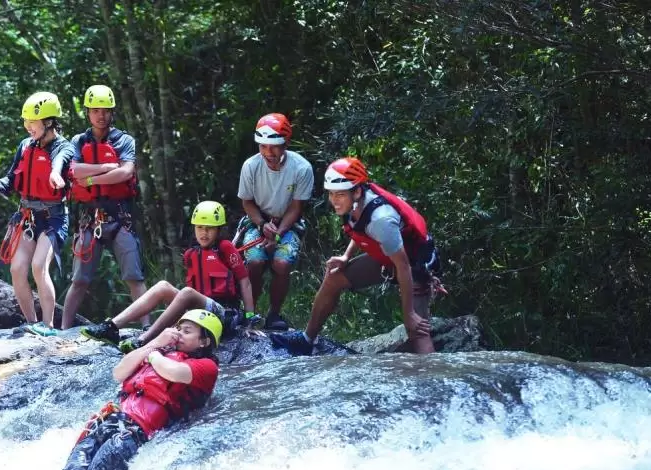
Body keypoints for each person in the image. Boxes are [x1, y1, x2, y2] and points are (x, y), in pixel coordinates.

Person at [0, 309, 222, 470]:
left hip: (134, 432)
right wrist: (154, 344)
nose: (179, 334)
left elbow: (173, 373)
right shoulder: (160, 351)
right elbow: (119, 372)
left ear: (204, 341)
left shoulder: (206, 367)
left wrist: (153, 354)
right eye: (179, 328)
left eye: (187, 331)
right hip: (109, 419)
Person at [272, 157, 439, 356]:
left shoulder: (381, 220)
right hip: (389, 257)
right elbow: (359, 229)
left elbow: (402, 265)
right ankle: (307, 339)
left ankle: (429, 376)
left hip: (414, 266)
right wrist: (345, 256)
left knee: (416, 328)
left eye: (340, 194)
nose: (334, 200)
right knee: (334, 277)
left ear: (357, 191)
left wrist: (409, 313)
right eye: (331, 194)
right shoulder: (352, 204)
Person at [80, 200, 259, 352]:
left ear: (219, 230)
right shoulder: (191, 254)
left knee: (187, 292)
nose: (204, 233)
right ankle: (112, 327)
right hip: (200, 313)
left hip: (225, 314)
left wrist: (250, 316)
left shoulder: (226, 247)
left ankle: (144, 340)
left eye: (210, 229)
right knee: (163, 286)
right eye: (200, 228)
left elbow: (245, 281)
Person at [60, 84, 147, 329]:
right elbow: (73, 171)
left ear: (112, 113)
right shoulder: (78, 141)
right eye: (96, 110)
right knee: (80, 279)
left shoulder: (124, 141)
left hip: (120, 215)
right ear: (88, 112)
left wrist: (90, 179)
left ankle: (149, 328)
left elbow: (125, 172)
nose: (101, 115)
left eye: (106, 110)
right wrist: (104, 168)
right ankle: (63, 330)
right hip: (90, 217)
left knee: (134, 275)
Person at [0, 91, 74, 336]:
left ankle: (48, 326)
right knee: (17, 268)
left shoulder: (64, 147)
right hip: (27, 216)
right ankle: (31, 322)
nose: (28, 126)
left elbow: (60, 161)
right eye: (25, 121)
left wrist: (56, 174)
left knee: (39, 266)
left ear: (48, 122)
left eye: (32, 122)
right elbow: (9, 181)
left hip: (53, 218)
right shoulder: (25, 146)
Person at [236, 112, 314, 330]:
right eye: (263, 146)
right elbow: (247, 202)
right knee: (255, 261)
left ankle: (274, 313)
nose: (268, 152)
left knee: (282, 263)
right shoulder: (251, 166)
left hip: (288, 223)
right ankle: (250, 311)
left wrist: (278, 232)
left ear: (286, 144)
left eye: (274, 147)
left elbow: (297, 207)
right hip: (257, 220)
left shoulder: (301, 168)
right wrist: (262, 225)